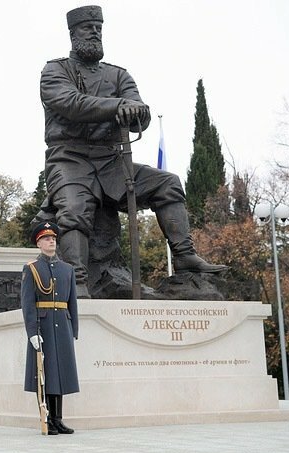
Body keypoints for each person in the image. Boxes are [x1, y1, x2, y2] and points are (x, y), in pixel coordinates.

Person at [40, 5, 226, 298]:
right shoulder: (55, 70)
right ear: (73, 34)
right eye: (88, 28)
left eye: (99, 28)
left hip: (112, 161)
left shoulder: (118, 75)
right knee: (74, 210)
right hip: (70, 159)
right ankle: (75, 279)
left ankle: (184, 256)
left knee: (168, 183)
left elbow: (140, 110)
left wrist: (138, 114)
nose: (95, 33)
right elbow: (71, 104)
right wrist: (117, 106)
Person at [22, 221, 79, 435]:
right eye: (46, 238)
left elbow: (72, 301)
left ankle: (58, 418)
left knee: (60, 373)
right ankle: (46, 418)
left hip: (62, 325)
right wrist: (32, 332)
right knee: (44, 374)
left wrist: (73, 328)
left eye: (53, 238)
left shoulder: (67, 269)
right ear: (39, 243)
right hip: (43, 326)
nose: (51, 241)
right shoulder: (32, 269)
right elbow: (27, 303)